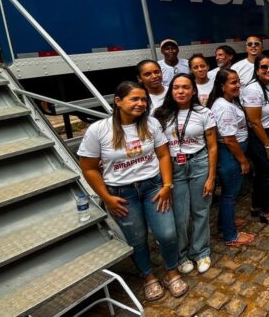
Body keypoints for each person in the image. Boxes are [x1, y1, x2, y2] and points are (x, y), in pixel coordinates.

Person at [77, 81, 188, 301]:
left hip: (153, 188)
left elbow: (164, 155)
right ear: (118, 101)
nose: (140, 104)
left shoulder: (152, 123)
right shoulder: (98, 130)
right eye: (134, 99)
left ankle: (171, 271)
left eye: (143, 99)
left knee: (167, 234)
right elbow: (88, 168)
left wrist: (167, 185)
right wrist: (106, 198)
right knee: (136, 239)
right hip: (122, 194)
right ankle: (148, 276)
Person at [154, 74, 218, 273]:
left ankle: (201, 251)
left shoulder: (203, 112)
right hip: (173, 168)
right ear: (170, 91)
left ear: (194, 91)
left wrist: (211, 177)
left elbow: (213, 147)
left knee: (201, 210)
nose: (180, 91)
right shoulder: (161, 114)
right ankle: (181, 255)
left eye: (185, 87)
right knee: (179, 215)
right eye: (176, 87)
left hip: (199, 163)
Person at [205, 69, 254, 246]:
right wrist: (243, 160)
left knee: (229, 193)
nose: (238, 85)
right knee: (230, 195)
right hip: (230, 155)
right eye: (233, 82)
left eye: (238, 81)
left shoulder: (227, 102)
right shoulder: (224, 107)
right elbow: (229, 139)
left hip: (231, 154)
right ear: (222, 86)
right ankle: (230, 236)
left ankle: (224, 223)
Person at [241, 55, 269, 226]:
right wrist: (268, 144)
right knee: (266, 174)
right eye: (264, 67)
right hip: (261, 137)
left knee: (262, 174)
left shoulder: (267, 86)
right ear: (257, 70)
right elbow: (254, 121)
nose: (268, 70)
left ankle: (256, 206)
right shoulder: (253, 89)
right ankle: (267, 211)